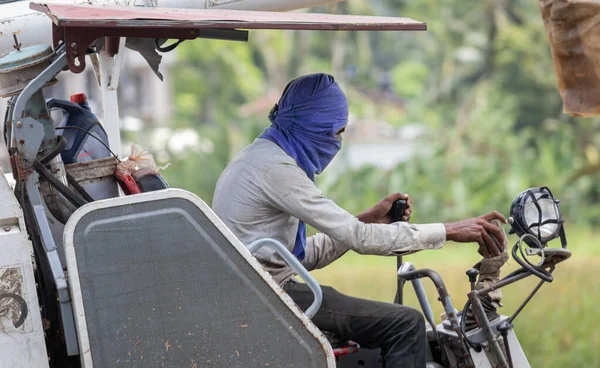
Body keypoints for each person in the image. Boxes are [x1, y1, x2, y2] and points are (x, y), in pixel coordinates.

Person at [212, 73, 506, 367]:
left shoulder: (258, 156)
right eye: (337, 133)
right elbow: (358, 238)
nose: (337, 142)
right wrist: (451, 230)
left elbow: (297, 257)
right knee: (405, 324)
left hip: (258, 291)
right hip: (268, 298)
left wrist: (367, 219)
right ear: (315, 127)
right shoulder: (276, 169)